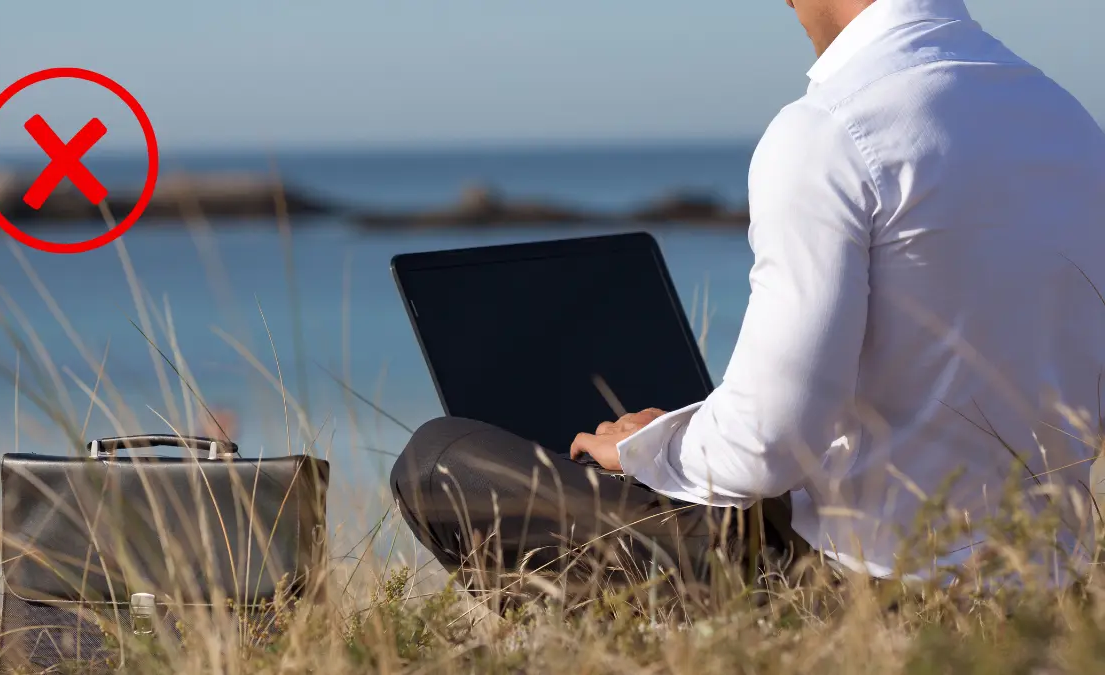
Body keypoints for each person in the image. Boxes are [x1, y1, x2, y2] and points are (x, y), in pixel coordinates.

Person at [391, 0, 1105, 591]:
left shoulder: (832, 130)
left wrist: (644, 451)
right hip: (1046, 582)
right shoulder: (1068, 122)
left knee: (437, 462)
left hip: (867, 591)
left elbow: (772, 445)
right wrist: (689, 434)